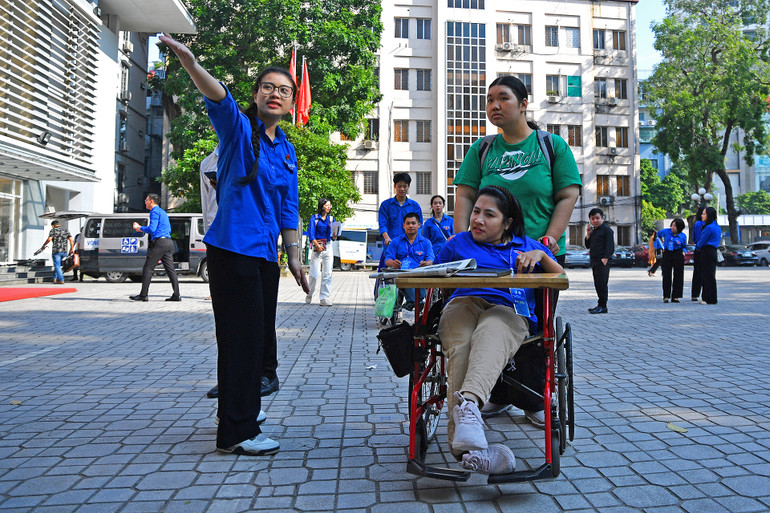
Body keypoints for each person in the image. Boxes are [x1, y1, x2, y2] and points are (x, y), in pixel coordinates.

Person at [159, 33, 308, 457]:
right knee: (241, 341)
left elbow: (288, 209)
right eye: (268, 87)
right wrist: (191, 63)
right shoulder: (239, 130)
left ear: (291, 102)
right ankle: (237, 432)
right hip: (232, 251)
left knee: (259, 343)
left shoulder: (287, 151)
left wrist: (295, 259)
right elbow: (219, 97)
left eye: (284, 90)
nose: (275, 94)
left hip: (263, 257)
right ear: (256, 95)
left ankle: (239, 411)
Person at [451, 75, 580, 423]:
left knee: (533, 328)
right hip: (488, 257)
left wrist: (548, 242)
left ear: (523, 104)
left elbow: (567, 195)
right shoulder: (482, 149)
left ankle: (534, 400)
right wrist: (462, 241)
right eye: (489, 99)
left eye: (503, 98)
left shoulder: (551, 146)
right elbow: (465, 195)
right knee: (486, 315)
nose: (494, 105)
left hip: (537, 256)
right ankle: (496, 393)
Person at [435, 186, 564, 475]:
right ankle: (472, 450)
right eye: (476, 212)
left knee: (490, 331)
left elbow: (561, 278)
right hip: (463, 303)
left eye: (489, 214)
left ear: (507, 223)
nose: (477, 219)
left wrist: (541, 257)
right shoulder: (458, 243)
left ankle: (469, 412)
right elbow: (433, 274)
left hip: (508, 308)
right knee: (461, 346)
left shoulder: (527, 246)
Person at [201, 145, 280, 400]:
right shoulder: (207, 164)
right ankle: (229, 378)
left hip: (252, 243)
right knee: (226, 320)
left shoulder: (255, 155)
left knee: (260, 316)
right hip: (220, 243)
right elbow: (207, 207)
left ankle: (266, 373)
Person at [129, 194, 181, 302]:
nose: (145, 202)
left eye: (146, 200)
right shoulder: (163, 212)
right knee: (170, 270)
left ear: (151, 201)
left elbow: (152, 229)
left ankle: (143, 295)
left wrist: (139, 228)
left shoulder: (154, 212)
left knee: (148, 268)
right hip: (168, 242)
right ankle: (176, 295)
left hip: (160, 243)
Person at [382, 212, 434, 310]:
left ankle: (413, 301)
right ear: (404, 226)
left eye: (413, 223)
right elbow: (387, 260)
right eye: (408, 223)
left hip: (419, 273)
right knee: (405, 279)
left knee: (417, 280)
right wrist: (393, 263)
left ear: (419, 225)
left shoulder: (426, 242)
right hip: (401, 273)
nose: (411, 226)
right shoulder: (395, 242)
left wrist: (426, 263)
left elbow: (430, 259)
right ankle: (414, 301)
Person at [378, 172, 423, 247]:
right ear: (395, 186)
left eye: (405, 186)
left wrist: (415, 240)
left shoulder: (415, 206)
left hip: (409, 246)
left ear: (408, 186)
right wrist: (386, 237)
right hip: (391, 245)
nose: (402, 189)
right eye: (399, 186)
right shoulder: (385, 205)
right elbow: (383, 224)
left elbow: (419, 225)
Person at [648, 219, 687, 302]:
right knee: (666, 275)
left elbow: (684, 246)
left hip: (678, 253)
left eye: (675, 226)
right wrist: (662, 241)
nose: (673, 227)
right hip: (667, 253)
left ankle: (675, 296)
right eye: (672, 225)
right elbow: (658, 234)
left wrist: (684, 252)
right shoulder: (666, 231)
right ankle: (666, 296)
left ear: (679, 227)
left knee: (678, 275)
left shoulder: (683, 236)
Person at [306, 198, 336, 306]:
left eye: (330, 205)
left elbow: (332, 236)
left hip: (328, 247)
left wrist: (334, 236)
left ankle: (324, 298)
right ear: (322, 206)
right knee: (314, 274)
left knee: (327, 273)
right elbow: (311, 234)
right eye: (327, 205)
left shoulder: (331, 219)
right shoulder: (314, 218)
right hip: (317, 247)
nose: (329, 207)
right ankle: (309, 294)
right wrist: (317, 245)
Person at [585, 208, 614, 314]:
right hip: (594, 260)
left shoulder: (607, 230)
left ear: (603, 218)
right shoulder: (593, 231)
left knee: (602, 283)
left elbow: (610, 245)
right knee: (597, 283)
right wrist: (588, 234)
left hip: (603, 261)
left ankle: (603, 306)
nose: (595, 220)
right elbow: (587, 245)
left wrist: (606, 258)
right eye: (592, 218)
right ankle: (600, 304)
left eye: (597, 218)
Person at [696, 206, 720, 304]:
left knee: (706, 275)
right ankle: (710, 297)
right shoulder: (717, 226)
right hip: (713, 251)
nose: (702, 216)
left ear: (709, 215)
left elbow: (701, 242)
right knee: (711, 275)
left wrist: (697, 246)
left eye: (704, 214)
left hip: (707, 251)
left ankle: (708, 298)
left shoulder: (708, 227)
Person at [39, 220, 74, 284]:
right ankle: (54, 278)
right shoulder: (65, 230)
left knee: (57, 265)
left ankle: (61, 279)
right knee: (58, 265)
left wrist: (44, 245)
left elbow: (49, 239)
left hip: (56, 251)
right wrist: (71, 249)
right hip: (64, 251)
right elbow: (71, 240)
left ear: (53, 225)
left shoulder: (53, 230)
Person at [690, 205, 706, 301]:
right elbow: (698, 238)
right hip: (700, 250)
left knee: (704, 273)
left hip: (704, 249)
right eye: (703, 213)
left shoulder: (709, 224)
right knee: (698, 272)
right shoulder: (699, 224)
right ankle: (695, 294)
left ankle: (702, 293)